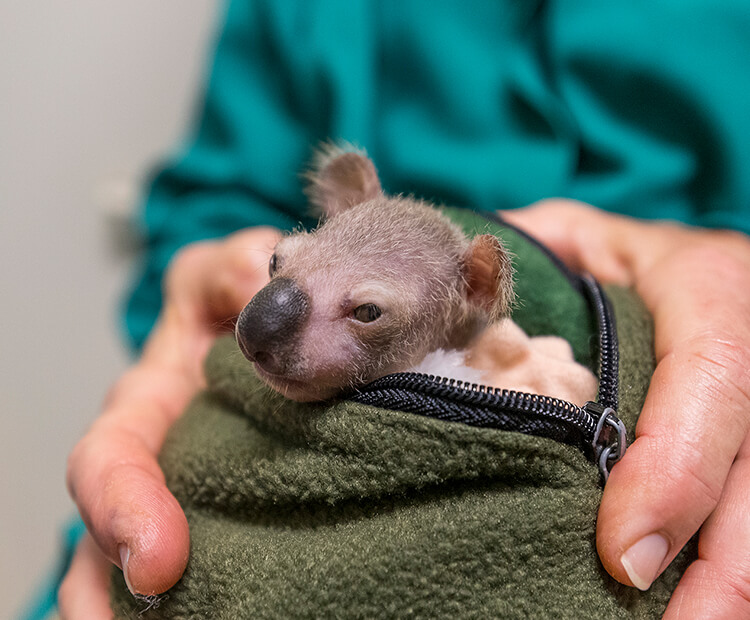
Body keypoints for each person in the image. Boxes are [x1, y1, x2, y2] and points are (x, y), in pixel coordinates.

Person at [59, 1, 750, 618]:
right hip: (175, 485)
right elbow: (210, 206)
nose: (257, 334)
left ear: (477, 291)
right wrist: (199, 273)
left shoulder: (482, 310)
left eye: (364, 311)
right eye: (282, 267)